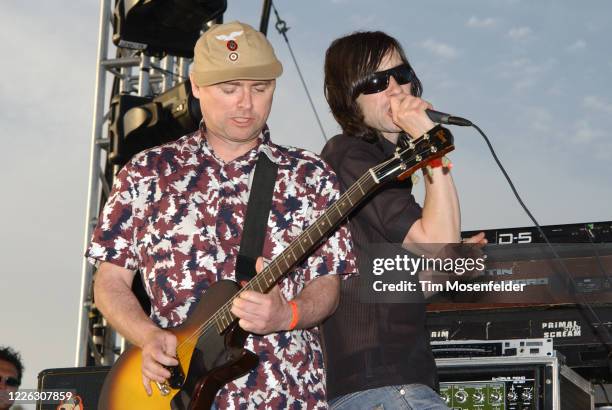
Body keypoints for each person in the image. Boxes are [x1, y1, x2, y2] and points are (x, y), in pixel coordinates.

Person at [87, 21, 355, 408]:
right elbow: (110, 281)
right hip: (171, 393)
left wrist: (288, 314)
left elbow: (327, 285)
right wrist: (146, 334)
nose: (246, 104)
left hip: (284, 391)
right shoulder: (146, 172)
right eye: (229, 89)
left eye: (260, 89)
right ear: (195, 85)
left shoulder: (310, 175)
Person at [320, 31, 485, 409]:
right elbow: (436, 244)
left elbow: (378, 286)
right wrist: (430, 142)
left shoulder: (385, 165)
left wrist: (447, 271)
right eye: (376, 82)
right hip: (385, 389)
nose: (395, 88)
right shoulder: (350, 155)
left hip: (387, 386)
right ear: (349, 99)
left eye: (401, 74)